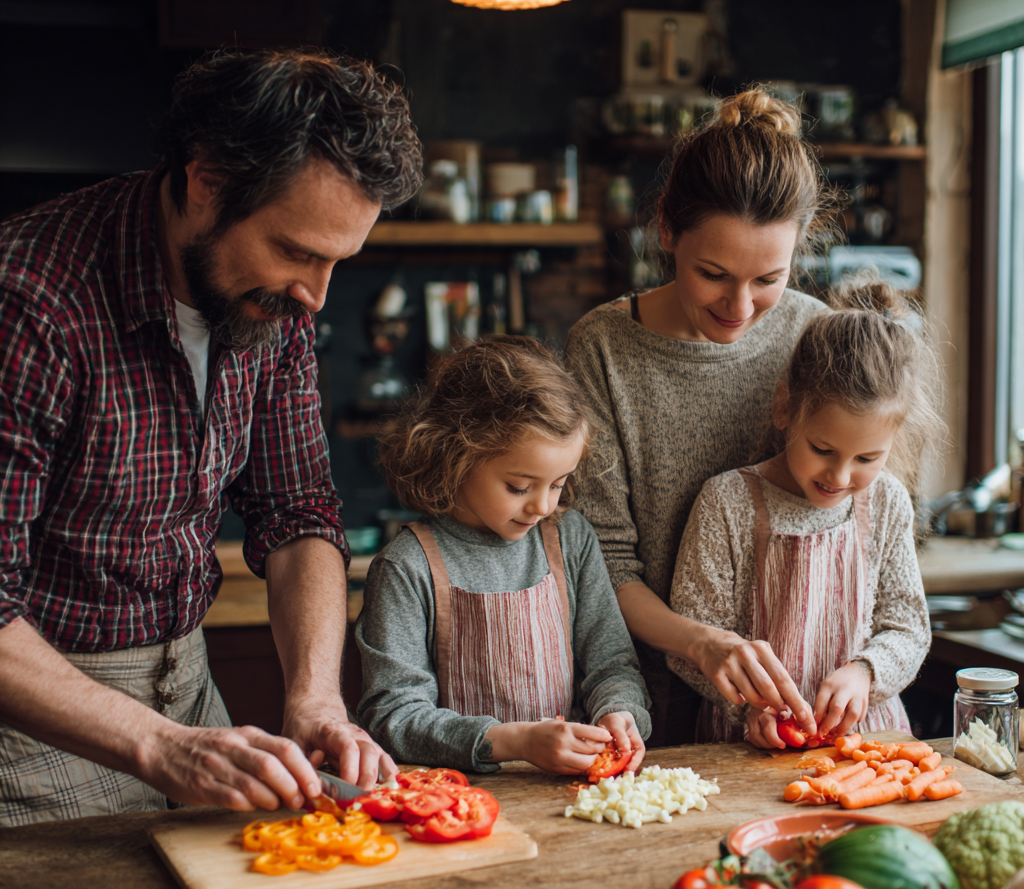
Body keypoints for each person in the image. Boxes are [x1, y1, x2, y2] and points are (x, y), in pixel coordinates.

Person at [0, 50, 423, 825]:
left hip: (189, 693)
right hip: (33, 730)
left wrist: (317, 696)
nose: (316, 298)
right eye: (297, 251)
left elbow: (298, 511)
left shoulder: (276, 306)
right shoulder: (28, 301)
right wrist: (158, 746)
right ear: (207, 183)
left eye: (338, 262)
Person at [565, 86, 838, 746]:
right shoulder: (602, 346)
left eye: (768, 279)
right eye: (713, 273)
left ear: (800, 245)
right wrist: (705, 645)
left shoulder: (816, 335)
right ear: (666, 230)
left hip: (796, 702)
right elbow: (603, 564)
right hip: (645, 706)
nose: (739, 307)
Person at [356, 336, 651, 775]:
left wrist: (620, 712)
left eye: (557, 483)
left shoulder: (570, 539)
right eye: (519, 487)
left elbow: (611, 664)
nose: (544, 507)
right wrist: (515, 742)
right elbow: (394, 716)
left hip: (565, 793)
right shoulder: (408, 567)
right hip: (460, 801)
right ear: (456, 455)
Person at [667, 281, 939, 747]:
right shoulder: (727, 502)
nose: (840, 475)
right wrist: (747, 703)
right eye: (823, 449)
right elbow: (691, 643)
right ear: (784, 409)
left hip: (868, 742)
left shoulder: (888, 501)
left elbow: (908, 627)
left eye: (868, 459)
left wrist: (865, 674)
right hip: (748, 746)